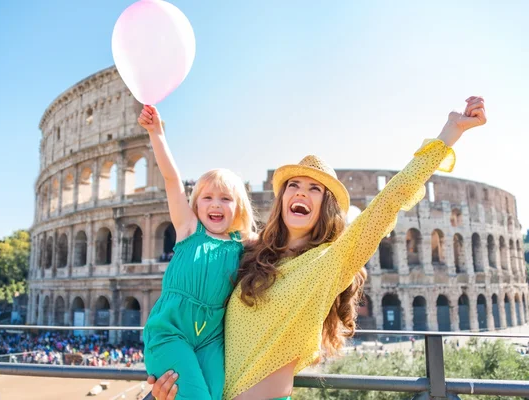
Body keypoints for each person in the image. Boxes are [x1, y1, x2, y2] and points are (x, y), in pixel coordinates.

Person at [148, 96, 486, 400]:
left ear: (325, 205)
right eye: (293, 185)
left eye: (314, 189)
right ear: (282, 201)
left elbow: (391, 199)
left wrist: (449, 133)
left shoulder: (332, 260)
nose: (300, 192)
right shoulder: (251, 257)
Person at [137, 105, 258, 400]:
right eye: (208, 197)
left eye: (225, 198)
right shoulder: (189, 229)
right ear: (196, 204)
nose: (216, 204)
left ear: (238, 207)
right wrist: (156, 133)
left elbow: (283, 243)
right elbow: (171, 180)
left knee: (216, 395)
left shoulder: (244, 244)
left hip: (211, 339)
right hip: (170, 332)